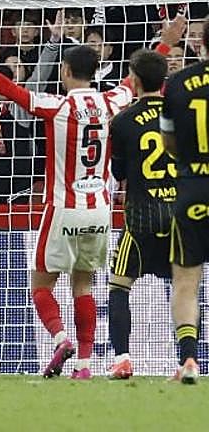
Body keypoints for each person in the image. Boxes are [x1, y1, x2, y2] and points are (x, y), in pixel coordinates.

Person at [0, 16, 183, 379]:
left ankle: (60, 338)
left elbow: (9, 90)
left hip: (63, 209)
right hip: (99, 212)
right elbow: (136, 78)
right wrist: (164, 44)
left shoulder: (55, 106)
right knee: (84, 284)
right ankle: (85, 366)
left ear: (66, 70)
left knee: (40, 286)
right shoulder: (111, 101)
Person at [105, 49, 176, 380]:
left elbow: (118, 172)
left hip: (140, 218)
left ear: (133, 80)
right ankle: (187, 360)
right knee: (185, 288)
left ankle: (122, 358)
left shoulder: (122, 120)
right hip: (178, 215)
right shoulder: (183, 113)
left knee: (119, 286)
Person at [161, 14, 209, 384]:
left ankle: (189, 361)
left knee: (186, 280)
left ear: (201, 44)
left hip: (192, 186)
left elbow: (169, 143)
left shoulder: (176, 83)